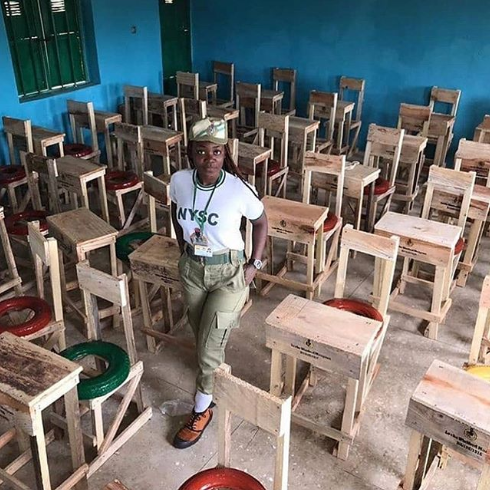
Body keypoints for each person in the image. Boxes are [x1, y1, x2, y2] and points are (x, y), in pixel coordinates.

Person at [169, 117, 268, 449]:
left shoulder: (239, 190)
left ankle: (201, 408)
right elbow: (175, 207)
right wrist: (183, 244)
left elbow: (260, 221)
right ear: (192, 154)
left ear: (225, 154)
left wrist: (254, 263)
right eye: (201, 152)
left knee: (209, 345)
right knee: (201, 334)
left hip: (229, 273)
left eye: (216, 152)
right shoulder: (180, 181)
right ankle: (211, 373)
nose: (209, 158)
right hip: (193, 270)